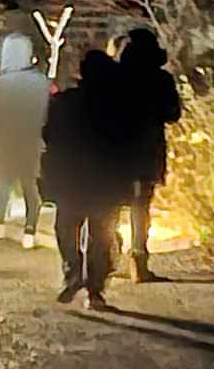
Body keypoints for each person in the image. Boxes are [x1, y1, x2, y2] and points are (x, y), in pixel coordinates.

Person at [43, 42, 134, 307]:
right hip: (105, 180)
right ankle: (95, 288)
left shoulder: (65, 102)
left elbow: (49, 135)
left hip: (71, 178)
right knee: (102, 233)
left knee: (67, 226)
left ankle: (72, 270)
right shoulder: (116, 106)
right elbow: (126, 141)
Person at [113, 26, 185, 281]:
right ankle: (139, 258)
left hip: (117, 148)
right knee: (141, 204)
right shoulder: (160, 79)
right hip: (148, 148)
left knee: (112, 201)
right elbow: (173, 114)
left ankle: (108, 252)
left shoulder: (115, 77)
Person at [0, 32, 49, 231]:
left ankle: (0, 220)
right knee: (30, 183)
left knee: (3, 180)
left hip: (4, 141)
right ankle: (31, 225)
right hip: (32, 140)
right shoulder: (41, 83)